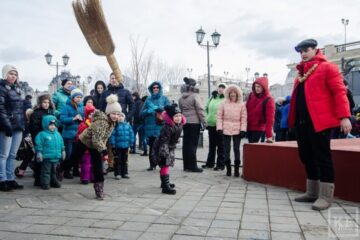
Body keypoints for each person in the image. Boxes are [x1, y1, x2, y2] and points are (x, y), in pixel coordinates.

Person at [288, 39, 352, 210]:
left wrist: (344, 117)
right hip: (302, 122)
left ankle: (325, 196)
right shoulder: (300, 73)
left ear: (316, 49)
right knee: (306, 156)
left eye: (306, 50)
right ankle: (312, 192)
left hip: (320, 122)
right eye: (300, 51)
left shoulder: (327, 67)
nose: (303, 53)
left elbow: (339, 92)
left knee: (322, 158)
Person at [60, 94, 120, 199]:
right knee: (74, 159)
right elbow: (96, 139)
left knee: (98, 166)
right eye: (113, 113)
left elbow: (103, 138)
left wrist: (103, 147)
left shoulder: (113, 122)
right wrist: (104, 150)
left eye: (117, 114)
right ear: (108, 113)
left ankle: (99, 188)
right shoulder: (102, 122)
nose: (115, 116)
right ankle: (60, 168)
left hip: (96, 145)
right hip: (85, 141)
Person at [99, 73, 134, 173]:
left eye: (116, 78)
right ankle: (111, 164)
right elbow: (101, 106)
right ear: (110, 80)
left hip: (122, 122)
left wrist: (127, 117)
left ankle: (124, 164)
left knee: (124, 143)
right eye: (112, 78)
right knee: (110, 143)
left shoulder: (126, 92)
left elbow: (132, 106)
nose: (114, 80)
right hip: (109, 121)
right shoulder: (105, 93)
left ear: (119, 80)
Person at [0, 65, 25, 191]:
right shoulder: (2, 88)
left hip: (18, 126)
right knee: (3, 155)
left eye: (15, 74)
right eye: (11, 73)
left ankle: (10, 179)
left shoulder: (17, 89)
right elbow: (1, 109)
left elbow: (21, 109)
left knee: (12, 154)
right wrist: (7, 125)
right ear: (5, 74)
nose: (13, 76)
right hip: (6, 126)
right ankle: (2, 179)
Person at [151, 104, 186, 195]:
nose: (178, 118)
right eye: (175, 116)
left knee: (167, 165)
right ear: (171, 117)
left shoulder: (179, 125)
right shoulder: (167, 127)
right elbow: (164, 141)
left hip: (170, 146)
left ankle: (164, 183)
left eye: (179, 115)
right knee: (165, 164)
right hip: (162, 147)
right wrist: (164, 152)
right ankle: (165, 187)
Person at [216, 84, 247, 177]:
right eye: (231, 92)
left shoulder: (242, 105)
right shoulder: (223, 103)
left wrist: (243, 129)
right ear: (228, 94)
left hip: (237, 129)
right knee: (227, 149)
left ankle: (237, 169)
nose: (233, 94)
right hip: (226, 128)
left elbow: (244, 118)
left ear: (238, 94)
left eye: (234, 92)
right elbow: (219, 117)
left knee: (236, 149)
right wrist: (219, 128)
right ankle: (228, 169)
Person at [179, 77, 207, 172]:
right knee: (193, 145)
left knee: (186, 144)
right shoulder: (195, 96)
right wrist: (204, 122)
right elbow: (200, 110)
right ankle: (193, 166)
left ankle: (186, 166)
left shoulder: (181, 98)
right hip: (194, 123)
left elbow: (181, 110)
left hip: (185, 123)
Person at [140, 81, 170, 171]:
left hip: (161, 127)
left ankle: (162, 165)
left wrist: (160, 108)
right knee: (152, 147)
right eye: (154, 87)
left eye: (157, 87)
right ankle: (152, 165)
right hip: (150, 127)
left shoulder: (165, 98)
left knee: (161, 148)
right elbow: (141, 114)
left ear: (160, 88)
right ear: (151, 89)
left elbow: (170, 111)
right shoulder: (148, 100)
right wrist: (147, 111)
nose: (155, 89)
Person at [27, 94, 56, 185]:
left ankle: (49, 177)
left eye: (48, 102)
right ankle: (38, 178)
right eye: (44, 102)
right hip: (40, 139)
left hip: (50, 139)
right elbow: (33, 128)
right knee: (39, 159)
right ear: (40, 103)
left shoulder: (51, 112)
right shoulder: (36, 113)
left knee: (49, 159)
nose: (46, 104)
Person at [35, 115, 65, 190]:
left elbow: (61, 143)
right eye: (50, 125)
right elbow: (38, 144)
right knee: (46, 171)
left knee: (54, 171)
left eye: (54, 125)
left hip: (56, 157)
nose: (52, 127)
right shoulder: (42, 134)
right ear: (45, 125)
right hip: (46, 157)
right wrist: (39, 152)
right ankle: (45, 183)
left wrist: (63, 150)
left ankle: (53, 181)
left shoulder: (57, 134)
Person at [59, 88, 84, 178]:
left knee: (76, 154)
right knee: (68, 154)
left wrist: (82, 119)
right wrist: (73, 118)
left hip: (78, 134)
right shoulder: (67, 106)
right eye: (77, 97)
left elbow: (84, 119)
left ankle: (75, 170)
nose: (79, 99)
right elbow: (62, 119)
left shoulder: (82, 106)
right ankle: (66, 170)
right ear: (73, 97)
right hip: (68, 134)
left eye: (80, 97)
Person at [203, 84, 226, 170]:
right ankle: (210, 163)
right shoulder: (212, 97)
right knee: (211, 145)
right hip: (210, 124)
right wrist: (206, 118)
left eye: (223, 88)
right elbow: (205, 108)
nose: (221, 89)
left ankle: (220, 165)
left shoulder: (225, 99)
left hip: (220, 126)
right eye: (219, 87)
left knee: (221, 145)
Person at [246, 77, 275, 143]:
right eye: (255, 86)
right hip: (249, 126)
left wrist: (269, 135)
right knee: (250, 147)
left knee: (254, 148)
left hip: (259, 127)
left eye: (259, 86)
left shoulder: (269, 99)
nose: (256, 88)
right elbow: (246, 110)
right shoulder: (251, 95)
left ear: (264, 87)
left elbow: (270, 119)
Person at [110, 112, 134, 179]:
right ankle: (118, 173)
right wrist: (113, 144)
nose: (120, 117)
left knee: (125, 160)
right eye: (119, 116)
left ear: (124, 117)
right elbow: (112, 136)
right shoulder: (115, 126)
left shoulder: (128, 125)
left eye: (122, 116)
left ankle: (125, 173)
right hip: (117, 147)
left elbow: (131, 134)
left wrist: (131, 143)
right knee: (117, 160)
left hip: (126, 146)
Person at [75, 104, 95, 184]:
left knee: (94, 163)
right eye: (90, 114)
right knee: (85, 163)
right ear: (87, 115)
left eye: (93, 114)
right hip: (85, 147)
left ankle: (92, 177)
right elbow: (79, 136)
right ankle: (85, 178)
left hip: (94, 147)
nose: (92, 116)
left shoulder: (96, 124)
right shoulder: (83, 124)